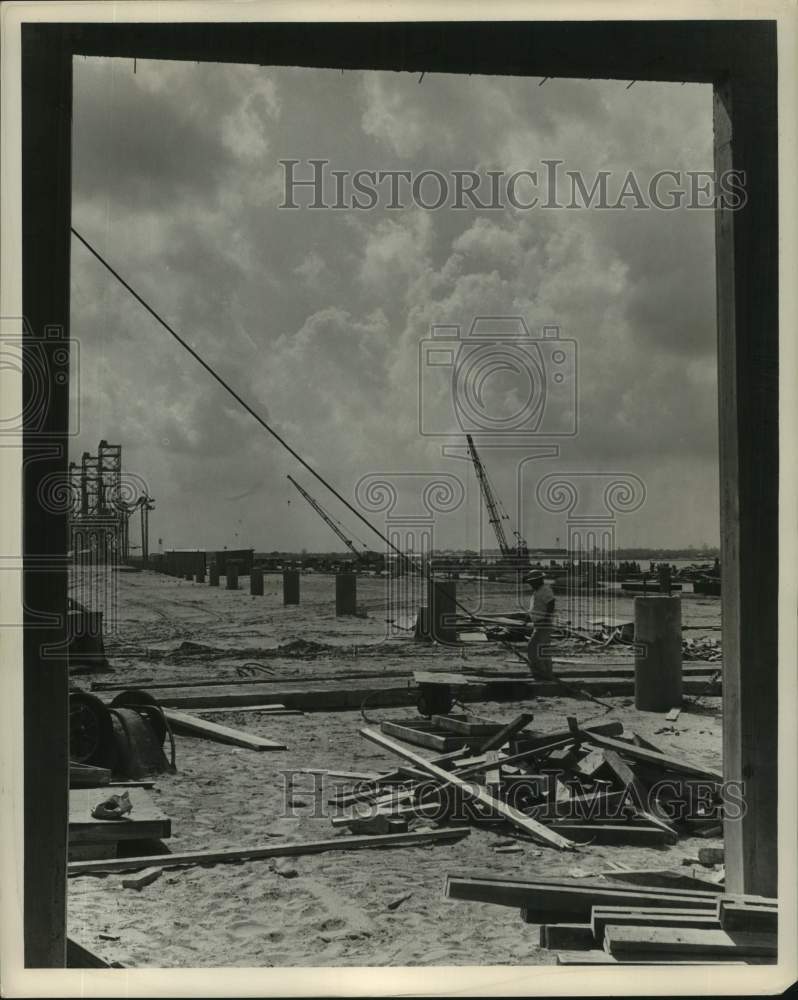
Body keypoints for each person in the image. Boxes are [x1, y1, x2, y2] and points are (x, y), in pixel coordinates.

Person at [524, 570, 555, 678]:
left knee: (532, 649)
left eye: (532, 582)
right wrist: (529, 616)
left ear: (539, 580)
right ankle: (547, 673)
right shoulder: (538, 591)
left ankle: (540, 673)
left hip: (543, 625)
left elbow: (551, 604)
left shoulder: (545, 590)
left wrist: (545, 620)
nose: (530, 584)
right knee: (543, 650)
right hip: (539, 624)